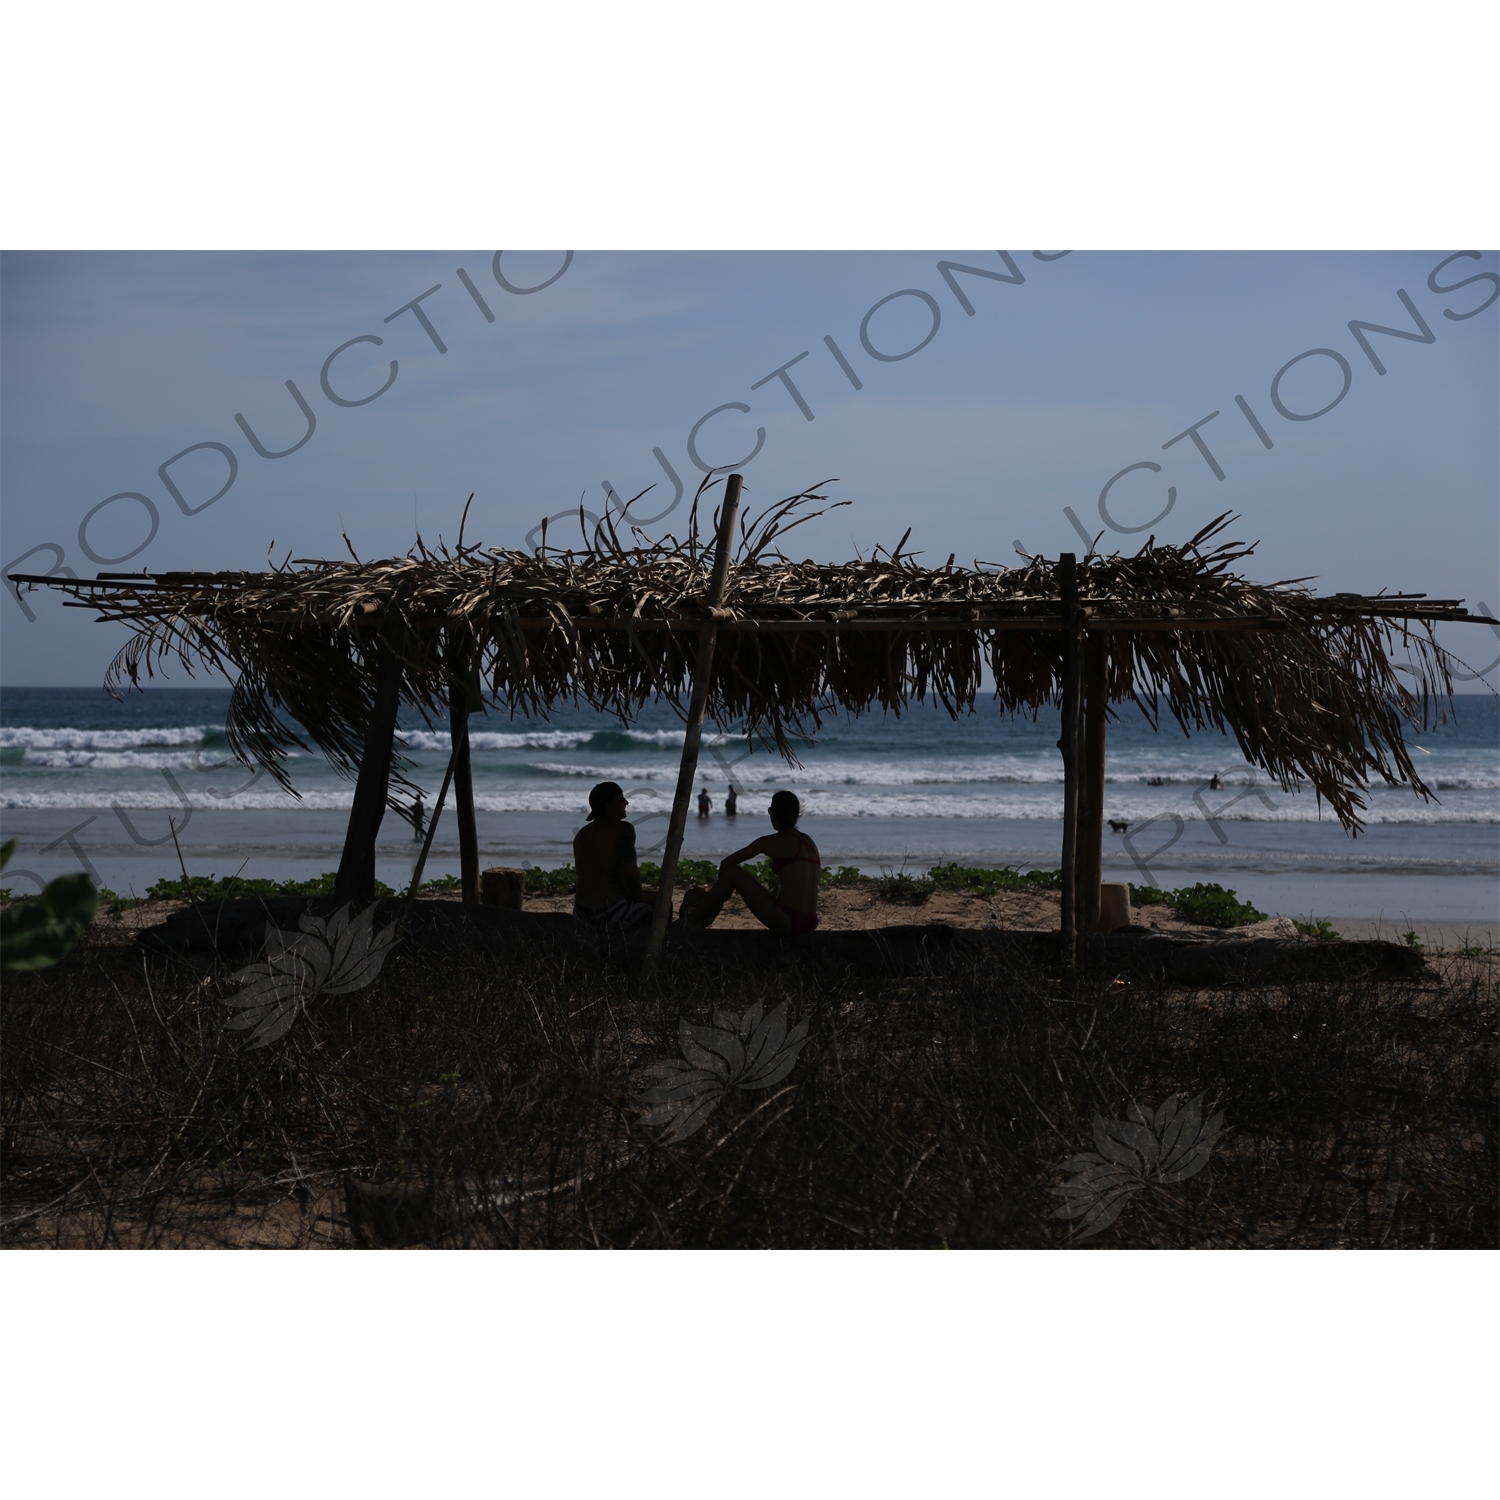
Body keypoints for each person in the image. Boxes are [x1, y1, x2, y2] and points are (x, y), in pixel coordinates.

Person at [679, 789, 820, 935]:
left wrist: (714, 900)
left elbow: (726, 863)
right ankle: (703, 912)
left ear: (775, 815)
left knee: (732, 872)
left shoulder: (770, 842)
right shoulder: (809, 842)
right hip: (810, 921)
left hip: (787, 920)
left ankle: (694, 917)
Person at [572, 781, 652, 931]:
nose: (626, 803)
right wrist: (640, 896)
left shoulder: (581, 835)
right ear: (607, 805)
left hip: (581, 914)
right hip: (609, 913)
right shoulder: (623, 829)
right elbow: (629, 871)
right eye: (620, 799)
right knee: (658, 906)